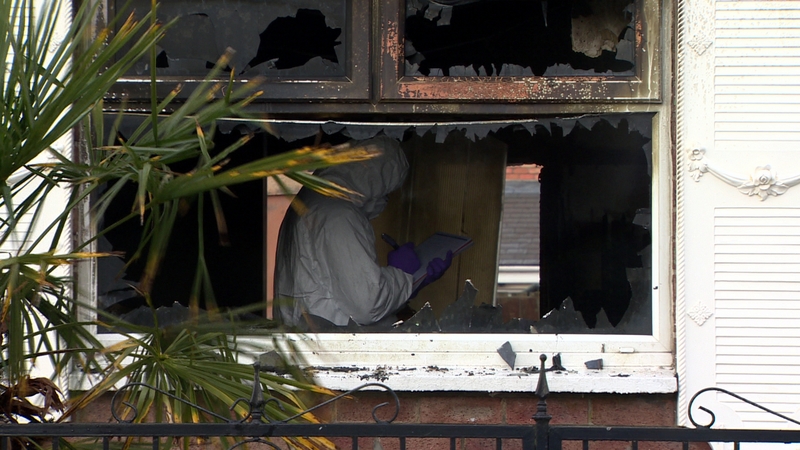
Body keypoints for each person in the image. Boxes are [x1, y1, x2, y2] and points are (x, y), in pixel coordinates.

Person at [273, 135, 451, 330]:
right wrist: (402, 273)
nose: (385, 198)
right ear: (373, 176)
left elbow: (336, 292)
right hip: (332, 351)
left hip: (313, 344)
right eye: (386, 188)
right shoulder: (338, 214)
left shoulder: (311, 201)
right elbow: (368, 306)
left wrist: (413, 284)